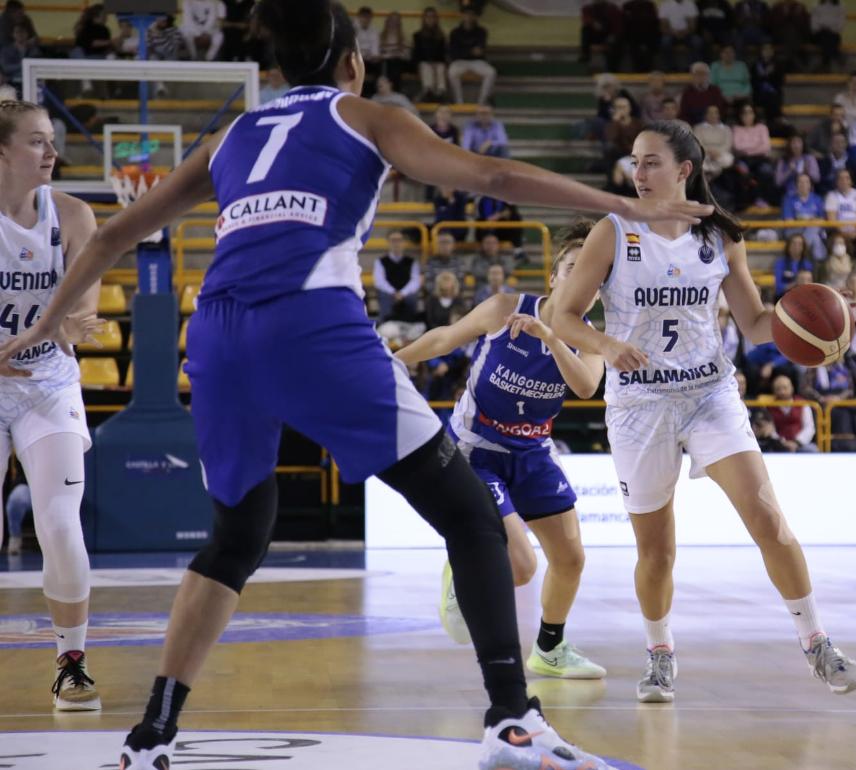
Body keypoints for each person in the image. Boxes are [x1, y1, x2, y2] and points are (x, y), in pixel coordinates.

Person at [0, 2, 715, 765]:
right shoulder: (363, 115)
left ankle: (150, 735)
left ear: (273, 71)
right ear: (353, 63)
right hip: (310, 325)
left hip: (214, 333)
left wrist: (43, 328)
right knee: (472, 520)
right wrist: (625, 207)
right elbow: (492, 174)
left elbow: (113, 233)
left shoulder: (236, 134)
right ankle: (513, 720)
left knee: (237, 536)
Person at [549, 120, 856, 705]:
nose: (637, 173)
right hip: (639, 403)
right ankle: (660, 653)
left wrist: (818, 330)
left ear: (684, 171)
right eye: (634, 162)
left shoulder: (720, 235)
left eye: (650, 162)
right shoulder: (612, 232)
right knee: (658, 551)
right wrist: (605, 345)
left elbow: (752, 324)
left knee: (768, 518)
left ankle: (817, 640)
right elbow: (564, 317)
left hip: (709, 395)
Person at [397, 221, 608, 678]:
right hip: (476, 448)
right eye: (572, 267)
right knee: (521, 566)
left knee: (570, 557)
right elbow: (443, 338)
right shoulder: (504, 307)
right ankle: (461, 560)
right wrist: (391, 362)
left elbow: (587, 386)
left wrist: (551, 337)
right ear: (553, 276)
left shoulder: (590, 337)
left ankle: (550, 648)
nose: (580, 279)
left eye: (591, 275)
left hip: (532, 450)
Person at [0, 99, 106, 713]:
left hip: (47, 382)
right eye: (37, 141)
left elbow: (80, 309)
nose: (50, 152)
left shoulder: (70, 214)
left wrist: (61, 326)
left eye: (52, 140)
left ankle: (71, 661)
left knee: (60, 523)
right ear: (4, 153)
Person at [447, 8, 496, 105]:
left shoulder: (481, 31)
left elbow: (479, 51)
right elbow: (453, 52)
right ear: (462, 16)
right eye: (466, 14)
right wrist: (470, 51)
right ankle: (459, 102)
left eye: (471, 15)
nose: (469, 17)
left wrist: (464, 50)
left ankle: (482, 102)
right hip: (459, 61)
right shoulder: (455, 32)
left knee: (491, 73)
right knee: (451, 73)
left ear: (475, 17)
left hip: (477, 62)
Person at [373, 230, 422, 322]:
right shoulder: (380, 261)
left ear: (404, 242)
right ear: (388, 242)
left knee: (412, 296)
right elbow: (379, 281)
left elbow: (415, 281)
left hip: (406, 293)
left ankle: (411, 325)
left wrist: (402, 293)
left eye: (399, 240)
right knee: (384, 295)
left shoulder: (412, 262)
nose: (396, 243)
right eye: (393, 240)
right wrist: (393, 292)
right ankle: (384, 325)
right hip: (389, 293)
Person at [767, 374, 818, 452]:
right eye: (778, 389)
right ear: (774, 391)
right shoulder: (770, 407)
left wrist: (796, 442)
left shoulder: (802, 403)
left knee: (812, 450)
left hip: (800, 444)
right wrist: (782, 442)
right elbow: (770, 430)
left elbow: (809, 427)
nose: (782, 392)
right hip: (779, 445)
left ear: (792, 388)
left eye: (785, 388)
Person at [411, 6, 448, 102]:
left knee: (440, 67)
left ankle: (441, 92)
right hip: (423, 62)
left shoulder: (441, 36)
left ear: (436, 19)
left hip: (438, 62)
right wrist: (428, 62)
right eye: (428, 16)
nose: (430, 19)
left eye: (432, 17)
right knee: (426, 67)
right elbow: (417, 54)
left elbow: (443, 53)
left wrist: (436, 62)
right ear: (424, 19)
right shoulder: (417, 35)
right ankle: (428, 91)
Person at [679, 61, 727, 126]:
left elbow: (721, 110)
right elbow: (684, 113)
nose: (700, 76)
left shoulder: (715, 91)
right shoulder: (687, 92)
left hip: (713, 124)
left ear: (708, 75)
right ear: (692, 76)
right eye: (697, 74)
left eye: (703, 73)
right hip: (692, 125)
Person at [811, 0, 845, 69]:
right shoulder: (816, 5)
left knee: (829, 37)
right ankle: (835, 53)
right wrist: (826, 27)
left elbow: (840, 26)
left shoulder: (840, 6)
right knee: (826, 36)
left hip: (833, 35)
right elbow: (814, 26)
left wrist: (828, 28)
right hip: (819, 35)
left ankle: (825, 63)